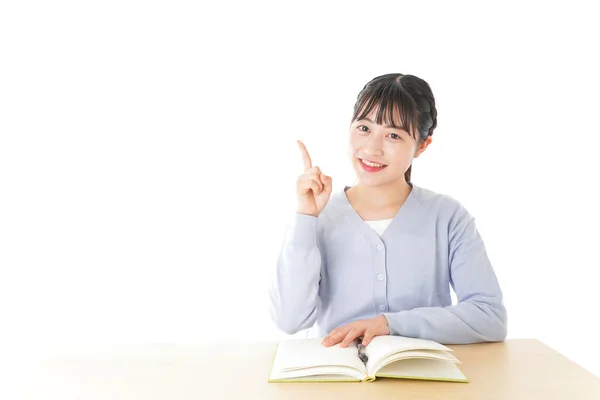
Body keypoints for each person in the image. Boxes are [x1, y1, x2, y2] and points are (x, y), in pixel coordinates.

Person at [268, 73, 507, 348]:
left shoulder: (449, 218)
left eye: (393, 135)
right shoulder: (320, 218)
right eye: (364, 128)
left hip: (421, 381)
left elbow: (489, 317)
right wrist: (305, 218)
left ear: (422, 145)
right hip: (339, 381)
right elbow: (289, 321)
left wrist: (389, 324)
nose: (372, 148)